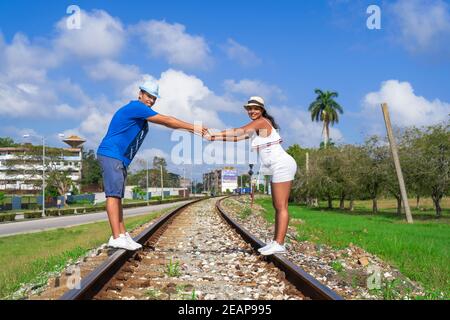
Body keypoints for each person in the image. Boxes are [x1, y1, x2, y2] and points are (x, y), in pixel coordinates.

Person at [97, 80, 208, 251]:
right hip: (111, 154)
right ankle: (116, 236)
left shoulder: (140, 111)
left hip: (119, 157)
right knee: (113, 195)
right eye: (148, 96)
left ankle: (123, 234)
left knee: (118, 196)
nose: (151, 100)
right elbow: (166, 120)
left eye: (154, 98)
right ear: (140, 93)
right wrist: (192, 127)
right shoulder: (137, 107)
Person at [206, 96, 297, 255]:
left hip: (282, 164)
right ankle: (276, 242)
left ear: (262, 110)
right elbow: (236, 137)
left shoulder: (261, 122)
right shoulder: (256, 129)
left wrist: (214, 135)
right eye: (249, 109)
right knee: (277, 205)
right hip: (276, 166)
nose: (252, 111)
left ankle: (280, 244)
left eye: (255, 108)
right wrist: (215, 137)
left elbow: (238, 131)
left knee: (281, 206)